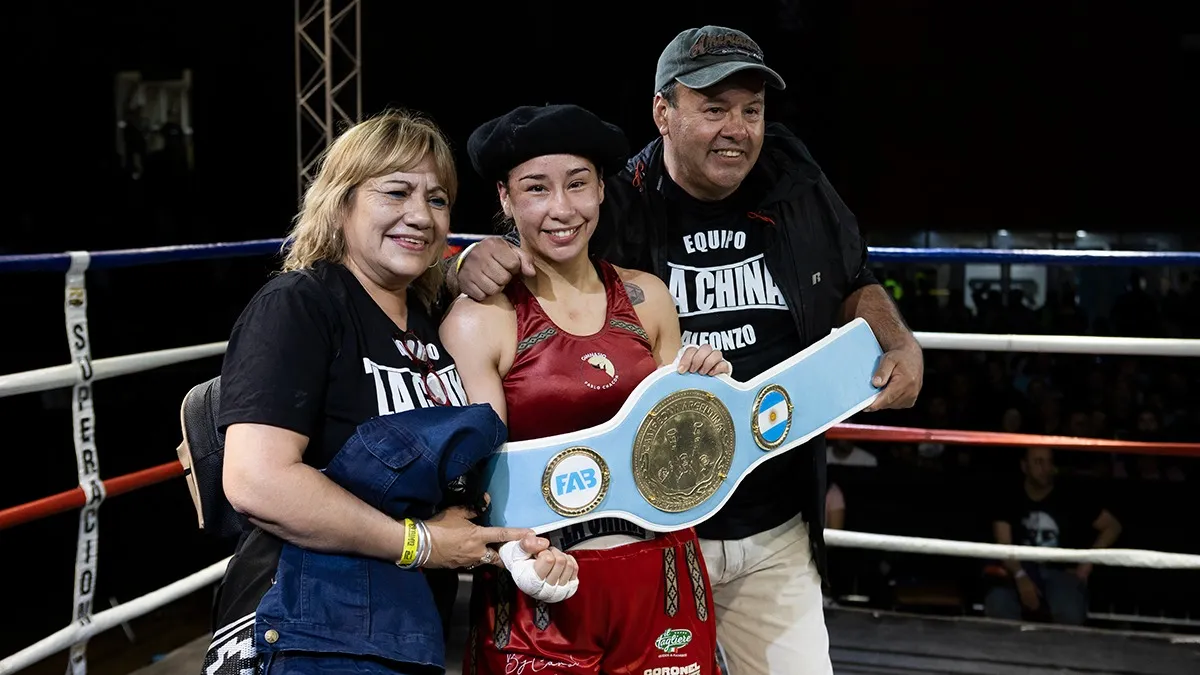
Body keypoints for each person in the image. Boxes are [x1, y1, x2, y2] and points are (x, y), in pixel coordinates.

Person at [446, 26, 923, 675]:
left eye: (750, 110)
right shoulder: (619, 203)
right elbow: (534, 244)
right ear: (663, 113)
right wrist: (463, 261)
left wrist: (896, 339)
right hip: (580, 552)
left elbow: (855, 276)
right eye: (714, 108)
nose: (736, 128)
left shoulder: (797, 186)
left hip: (746, 530)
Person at [202, 109, 555, 675]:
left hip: (399, 625)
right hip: (301, 623)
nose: (420, 215)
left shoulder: (429, 317)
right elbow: (256, 481)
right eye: (396, 192)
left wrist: (475, 258)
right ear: (341, 202)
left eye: (438, 200)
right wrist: (419, 544)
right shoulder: (300, 305)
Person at [440, 104, 731, 675]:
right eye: (535, 189)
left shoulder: (649, 298)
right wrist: (519, 560)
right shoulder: (480, 318)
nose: (561, 209)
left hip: (663, 575)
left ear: (601, 190)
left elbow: (685, 459)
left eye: (577, 184)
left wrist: (709, 399)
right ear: (504, 198)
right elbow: (480, 477)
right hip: (540, 584)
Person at [985, 446, 1122, 625]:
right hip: (1020, 568)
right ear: (1024, 466)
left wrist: (1087, 563)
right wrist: (1020, 576)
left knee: (1070, 614)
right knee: (998, 605)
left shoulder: (1070, 495)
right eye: (1038, 462)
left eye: (1049, 462)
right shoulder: (1010, 495)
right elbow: (1004, 544)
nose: (1046, 469)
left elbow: (1112, 526)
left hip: (1061, 572)